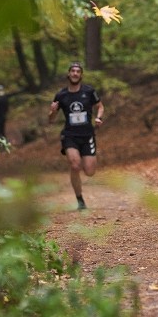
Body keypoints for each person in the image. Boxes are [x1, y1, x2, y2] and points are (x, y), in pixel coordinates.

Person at [48, 62, 104, 210]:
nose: (75, 73)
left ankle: (80, 195)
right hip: (69, 135)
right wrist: (53, 111)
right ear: (68, 74)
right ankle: (80, 200)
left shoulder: (89, 91)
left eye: (78, 71)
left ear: (81, 75)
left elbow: (100, 106)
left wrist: (99, 118)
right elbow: (51, 119)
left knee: (90, 171)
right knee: (74, 165)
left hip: (87, 135)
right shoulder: (61, 95)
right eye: (72, 71)